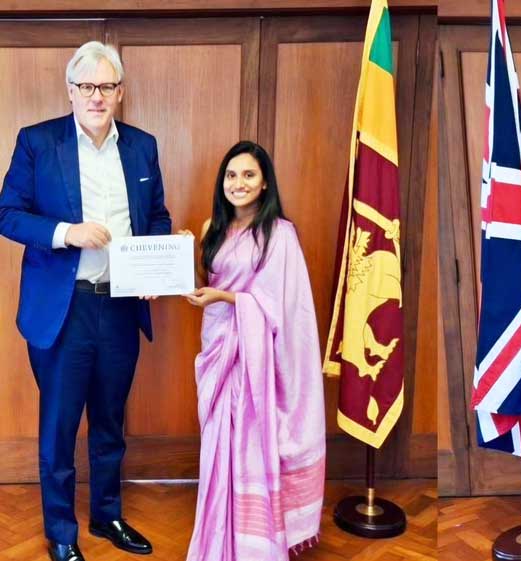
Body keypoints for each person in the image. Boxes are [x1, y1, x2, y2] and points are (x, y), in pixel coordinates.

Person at [0, 41, 170, 561]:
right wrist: (66, 232)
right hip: (63, 311)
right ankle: (60, 532)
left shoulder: (142, 146)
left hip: (119, 307)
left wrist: (156, 265)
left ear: (120, 92)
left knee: (110, 423)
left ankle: (107, 515)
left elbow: (157, 217)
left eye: (107, 86)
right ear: (70, 90)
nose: (97, 96)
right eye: (87, 86)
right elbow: (8, 214)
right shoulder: (37, 141)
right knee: (59, 428)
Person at [182, 141, 326, 561]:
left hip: (256, 360)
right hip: (219, 351)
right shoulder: (211, 227)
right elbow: (204, 286)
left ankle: (254, 544)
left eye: (248, 175)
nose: (238, 183)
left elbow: (283, 306)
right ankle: (219, 532)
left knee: (250, 444)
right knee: (219, 442)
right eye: (231, 175)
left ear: (265, 184)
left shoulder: (280, 234)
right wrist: (185, 256)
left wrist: (227, 299)